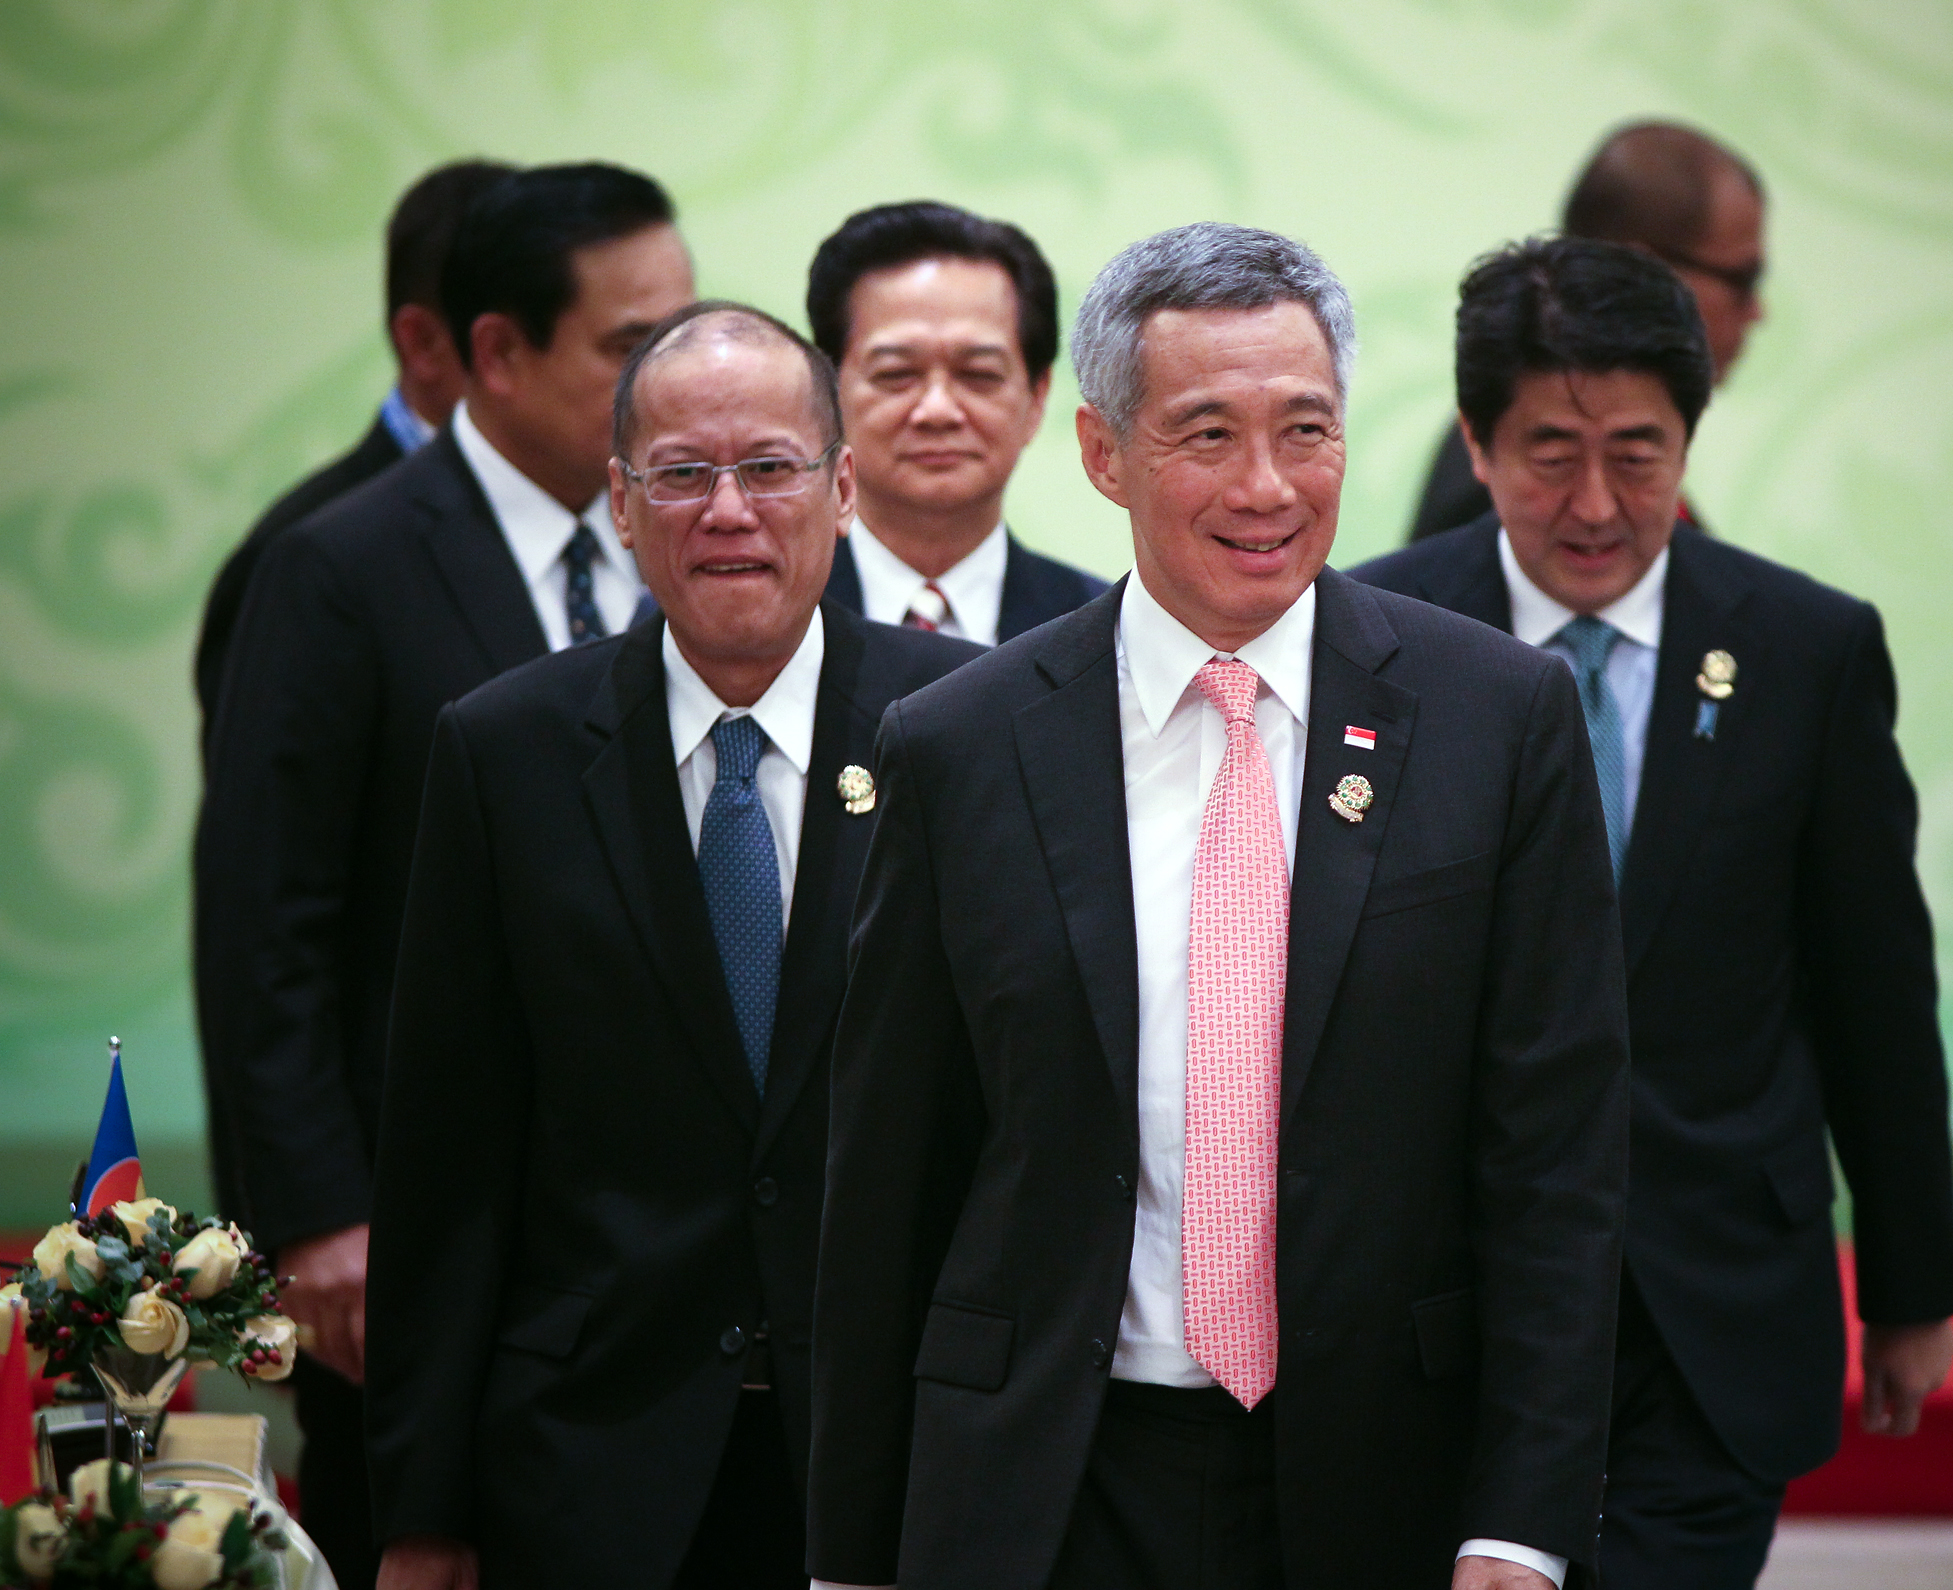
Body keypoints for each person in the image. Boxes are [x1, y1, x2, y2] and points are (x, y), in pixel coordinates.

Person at [806, 223, 1630, 1590]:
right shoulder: (960, 742)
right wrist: (849, 1555)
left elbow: (1557, 1157)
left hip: (1385, 1473)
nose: (1266, 486)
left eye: (1304, 429)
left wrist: (1523, 1517)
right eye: (1205, 434)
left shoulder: (1497, 717)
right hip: (1047, 1480)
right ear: (1102, 451)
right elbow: (891, 1164)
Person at [1353, 236, 1953, 1588]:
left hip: (1706, 1307)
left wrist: (1913, 1283)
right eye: (1546, 450)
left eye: (1637, 451)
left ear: (1690, 435)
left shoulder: (1805, 649)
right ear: (1474, 437)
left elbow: (1872, 984)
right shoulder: (1372, 635)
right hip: (1442, 1301)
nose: (1592, 501)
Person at [366, 301, 981, 1590]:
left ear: (843, 488)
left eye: (768, 469)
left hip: (901, 1454)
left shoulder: (975, 731)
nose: (728, 510)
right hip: (591, 1464)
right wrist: (422, 1511)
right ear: (623, 501)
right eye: (683, 475)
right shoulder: (504, 752)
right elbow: (446, 1153)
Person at [191, 162, 693, 1590]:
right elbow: (267, 920)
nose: (663, 376)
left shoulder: (685, 549)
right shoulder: (334, 566)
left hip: (627, 1243)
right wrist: (315, 1215)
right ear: (494, 353)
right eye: (623, 346)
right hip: (409, 1236)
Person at [192, 158, 516, 749]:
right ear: (422, 342)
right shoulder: (304, 557)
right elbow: (266, 831)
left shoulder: (617, 512)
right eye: (516, 338)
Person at [1407, 121, 1765, 542]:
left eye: (1633, 457)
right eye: (1741, 279)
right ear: (1645, 272)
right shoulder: (1491, 500)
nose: (1757, 312)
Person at [806, 200, 1105, 640]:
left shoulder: (1101, 634)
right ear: (829, 392)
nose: (938, 411)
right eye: (896, 374)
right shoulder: (772, 620)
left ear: (1036, 399)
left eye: (979, 374)